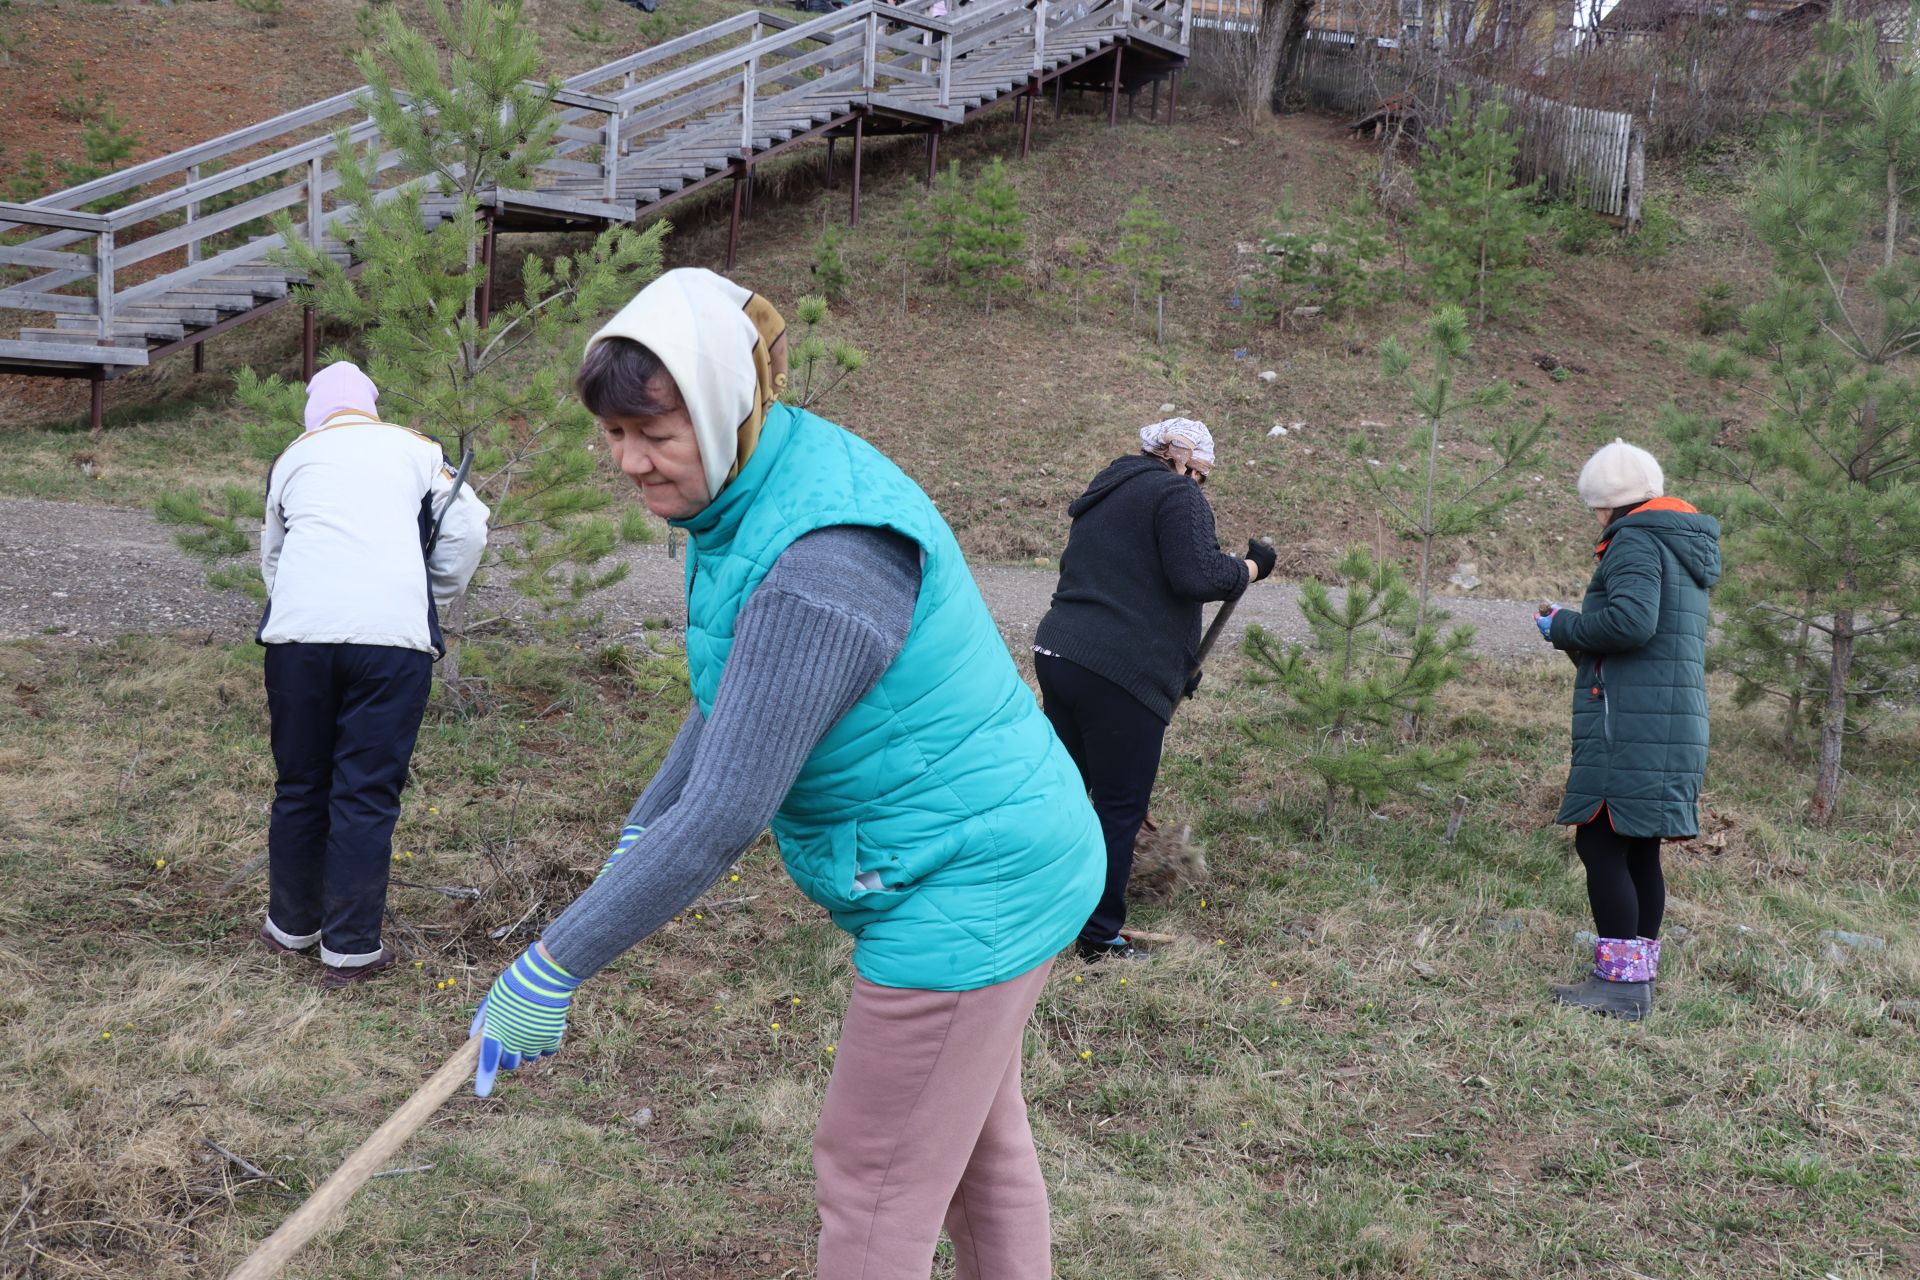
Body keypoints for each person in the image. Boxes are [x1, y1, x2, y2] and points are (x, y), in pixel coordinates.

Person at [468, 268, 1103, 1280]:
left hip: (970, 875)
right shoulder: (755, 481)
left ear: (721, 409)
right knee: (977, 1149)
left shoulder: (823, 560)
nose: (629, 461)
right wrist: (645, 822)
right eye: (614, 434)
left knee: (874, 1181)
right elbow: (741, 685)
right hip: (1008, 838)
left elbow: (726, 813)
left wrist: (553, 963)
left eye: (654, 433)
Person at [256, 362, 490, 986]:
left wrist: (305, 604)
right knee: (365, 791)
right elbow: (468, 527)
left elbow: (274, 556)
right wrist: (426, 590)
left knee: (301, 782)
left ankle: (291, 927)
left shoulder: (293, 458)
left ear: (315, 410)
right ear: (370, 406)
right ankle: (352, 950)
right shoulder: (417, 449)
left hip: (298, 640)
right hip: (393, 643)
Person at [1031, 418, 1276, 963]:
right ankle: (1098, 937)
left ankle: (1035, 908)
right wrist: (1252, 567)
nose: (1201, 486)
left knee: (1063, 791)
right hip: (1118, 672)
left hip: (1061, 653)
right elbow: (1198, 575)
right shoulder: (1174, 493)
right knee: (1118, 807)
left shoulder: (1107, 489)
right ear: (1181, 458)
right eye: (1201, 475)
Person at [1536, 438, 1719, 1021]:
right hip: (1667, 718)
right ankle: (1635, 984)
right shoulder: (1678, 543)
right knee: (1638, 847)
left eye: (1595, 506)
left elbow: (1632, 624)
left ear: (1610, 503)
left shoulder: (1636, 540)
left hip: (1632, 722)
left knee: (1599, 838)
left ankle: (1617, 988)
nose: (1595, 517)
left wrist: (1561, 624)